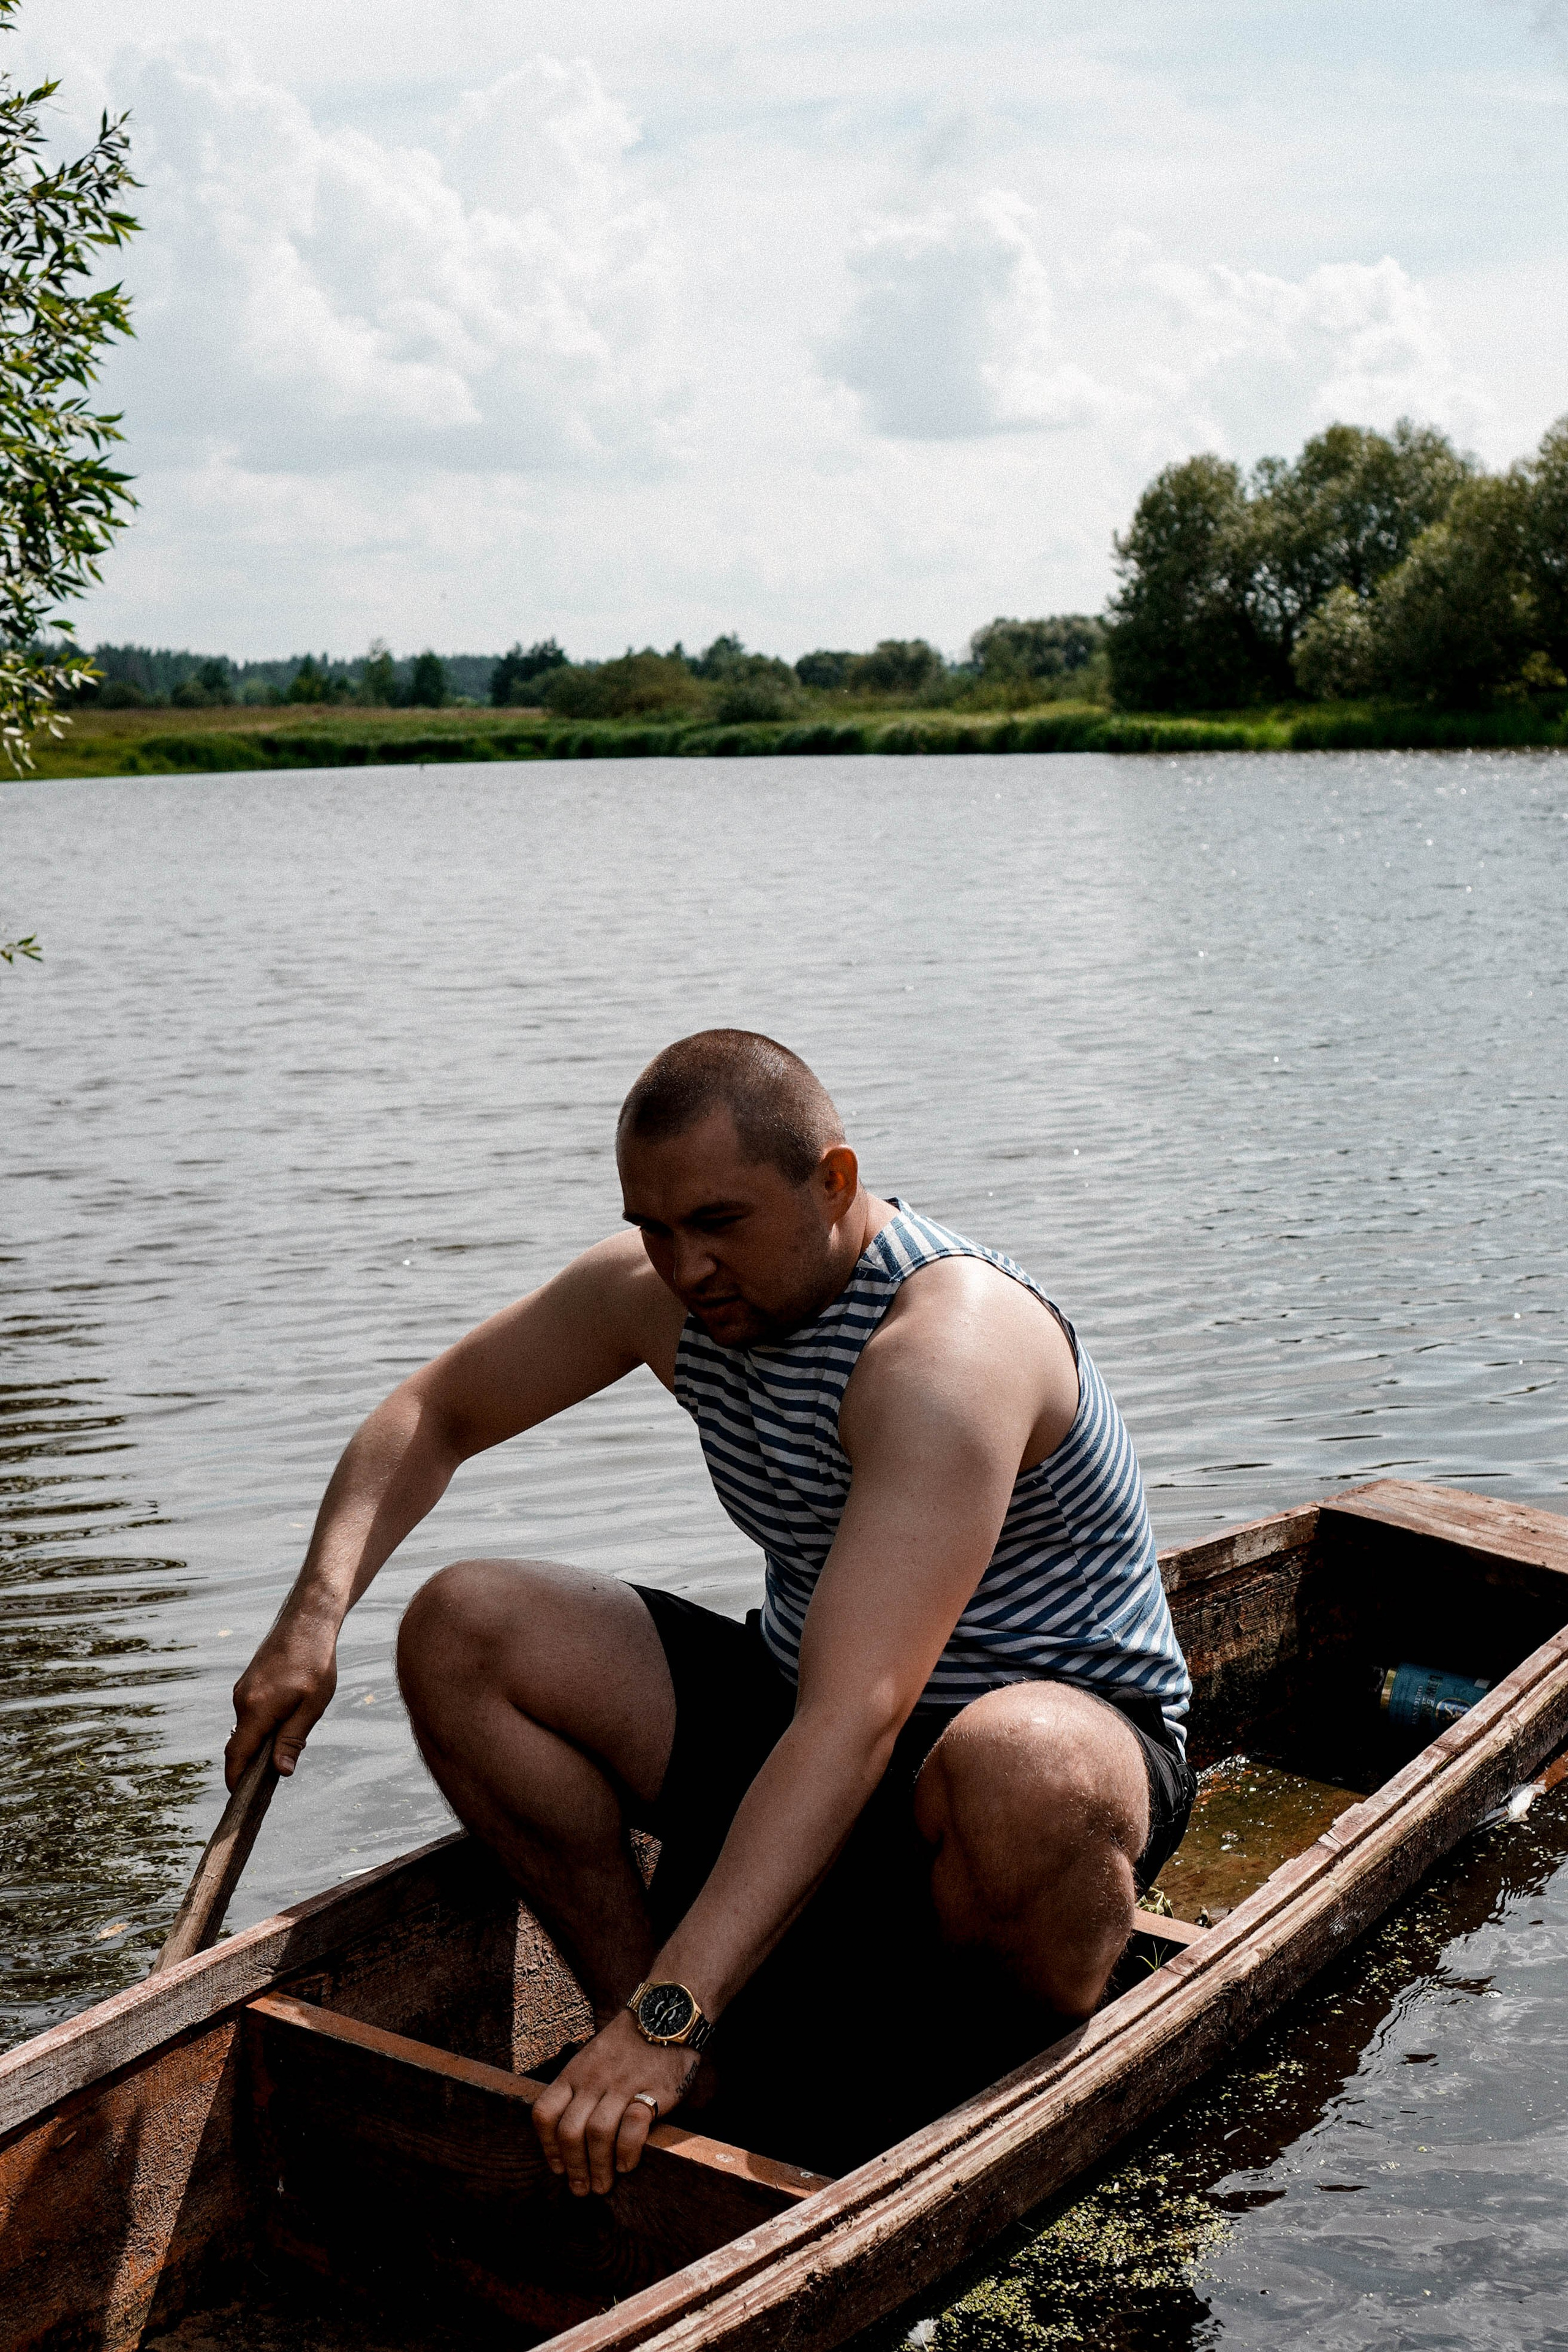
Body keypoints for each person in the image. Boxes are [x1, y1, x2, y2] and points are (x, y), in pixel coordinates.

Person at [228, 1030, 1194, 2192]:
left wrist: (669, 2014)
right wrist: (311, 1616)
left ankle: (969, 2078)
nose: (685, 1267)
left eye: (721, 1223)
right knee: (463, 1628)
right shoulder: (667, 1297)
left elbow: (858, 1721)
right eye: (655, 1226)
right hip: (810, 1713)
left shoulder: (943, 1354)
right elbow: (435, 1413)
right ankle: (669, 2048)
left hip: (1026, 1752)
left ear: (833, 1183)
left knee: (1022, 1763)